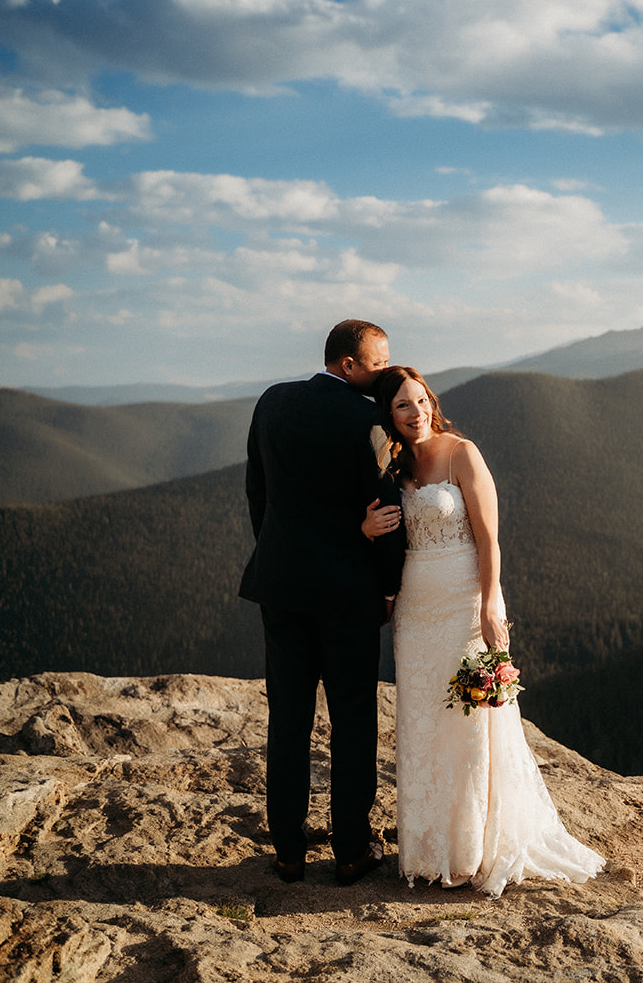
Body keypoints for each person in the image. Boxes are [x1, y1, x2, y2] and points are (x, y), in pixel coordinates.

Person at [363, 365, 603, 897]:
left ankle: (472, 848)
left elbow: (489, 537)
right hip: (414, 606)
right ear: (388, 414)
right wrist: (363, 527)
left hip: (464, 598)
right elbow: (373, 527)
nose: (416, 412)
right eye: (402, 405)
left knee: (469, 723)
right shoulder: (391, 465)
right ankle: (428, 848)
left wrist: (492, 602)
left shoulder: (462, 452)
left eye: (421, 400)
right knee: (422, 721)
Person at [239, 319, 405, 886]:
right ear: (350, 365)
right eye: (380, 362)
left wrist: (280, 551)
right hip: (348, 593)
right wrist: (387, 587)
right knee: (352, 722)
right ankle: (351, 851)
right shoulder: (370, 420)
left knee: (287, 718)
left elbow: (257, 490)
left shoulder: (272, 402)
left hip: (280, 586)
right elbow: (384, 513)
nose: (385, 371)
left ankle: (287, 851)